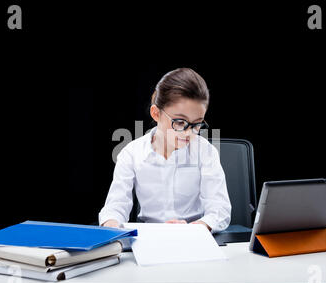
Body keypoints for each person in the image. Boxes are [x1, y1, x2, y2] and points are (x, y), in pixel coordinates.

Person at [98, 67, 231, 233]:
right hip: (148, 239)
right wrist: (112, 225)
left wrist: (195, 228)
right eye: (180, 122)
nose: (189, 132)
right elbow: (115, 206)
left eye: (197, 124)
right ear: (156, 113)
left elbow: (219, 209)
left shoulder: (206, 152)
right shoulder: (131, 153)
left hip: (194, 237)